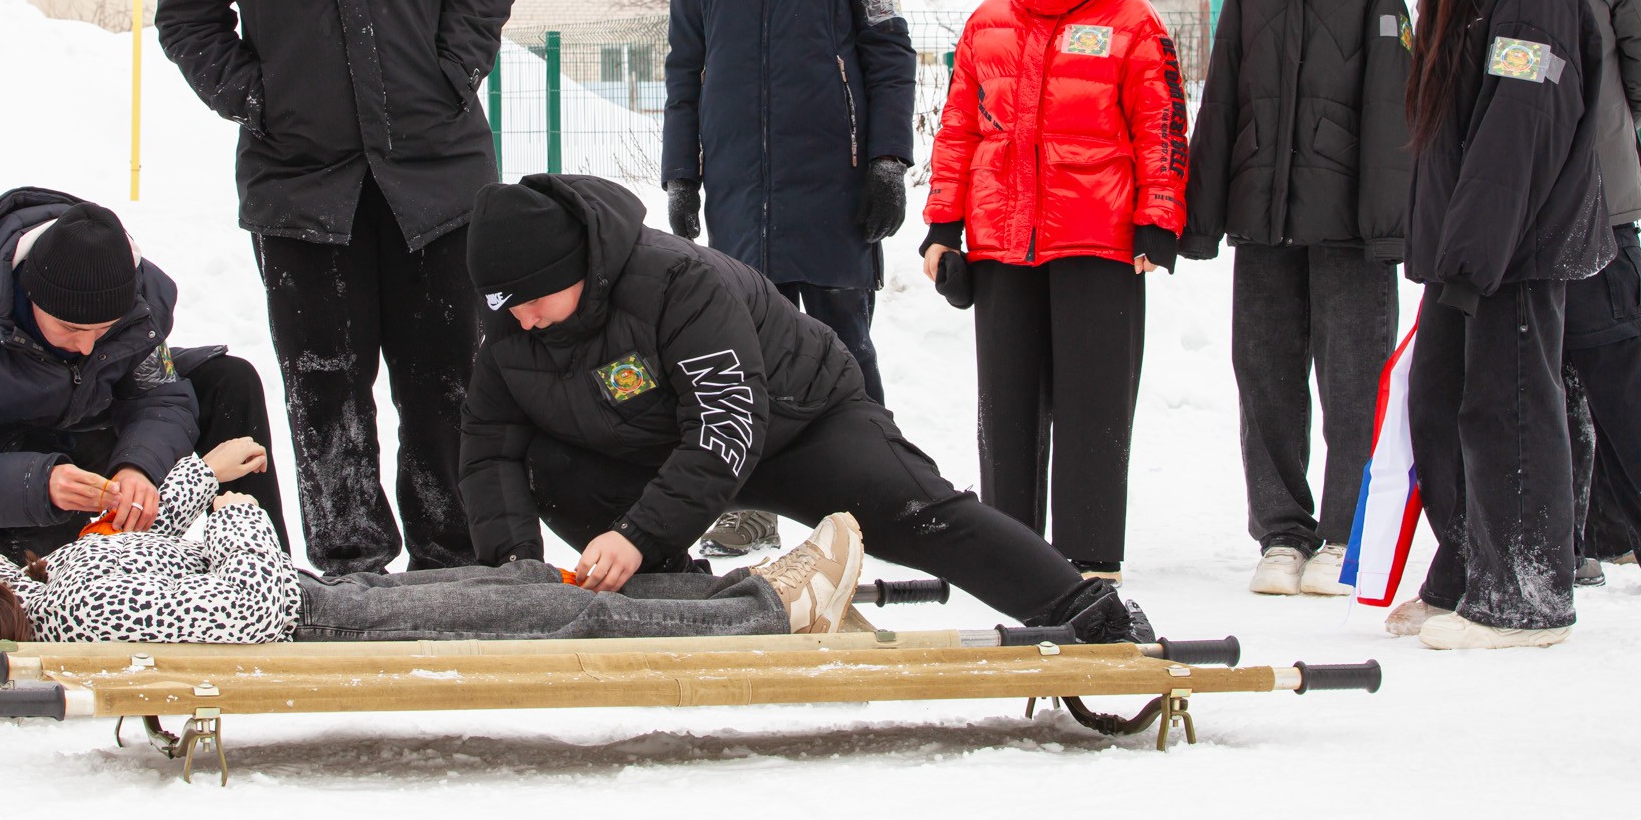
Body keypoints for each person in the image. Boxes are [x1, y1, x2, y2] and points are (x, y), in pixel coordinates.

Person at [456, 174, 1150, 645]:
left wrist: (634, 530)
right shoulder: (513, 331)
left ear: (574, 266)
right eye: (504, 307)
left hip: (798, 421)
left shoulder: (675, 281)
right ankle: (681, 600)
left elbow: (727, 423)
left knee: (918, 513)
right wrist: (517, 569)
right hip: (653, 446)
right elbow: (488, 449)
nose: (521, 319)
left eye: (531, 299)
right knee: (545, 465)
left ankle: (1084, 611)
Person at [156, 0, 518, 575]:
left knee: (450, 379)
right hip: (299, 182)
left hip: (435, 172)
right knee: (324, 384)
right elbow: (186, 18)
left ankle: (458, 559)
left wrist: (449, 72)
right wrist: (258, 99)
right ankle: (350, 561)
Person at [0, 439, 870, 646]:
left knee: (533, 580)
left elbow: (160, 537)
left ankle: (758, 593)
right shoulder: (76, 607)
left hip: (324, 601)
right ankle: (768, 613)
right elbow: (243, 611)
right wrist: (236, 515)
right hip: (329, 618)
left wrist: (194, 479)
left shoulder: (44, 579)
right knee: (554, 610)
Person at [661, 0, 917, 557]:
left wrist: (886, 160)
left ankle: (877, 492)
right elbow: (684, 63)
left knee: (844, 347)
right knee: (740, 353)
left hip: (834, 184)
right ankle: (748, 501)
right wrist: (682, 173)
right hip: (739, 185)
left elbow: (888, 50)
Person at [920, 0, 1186, 588]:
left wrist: (1157, 222)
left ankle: (1091, 556)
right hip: (1003, 241)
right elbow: (957, 130)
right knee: (1005, 405)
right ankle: (1009, 551)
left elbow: (1161, 127)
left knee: (1093, 401)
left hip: (1096, 243)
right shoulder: (989, 20)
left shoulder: (1132, 20)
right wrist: (943, 225)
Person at [1389, 0, 1612, 650]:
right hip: (1473, 239)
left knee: (1509, 406)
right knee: (1444, 401)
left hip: (1513, 242)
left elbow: (1520, 125)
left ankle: (1526, 598)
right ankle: (1470, 573)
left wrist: (1476, 250)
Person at [1180, 0, 1410, 598]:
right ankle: (1281, 531)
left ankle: (1344, 534)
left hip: (1347, 223)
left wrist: (1391, 223)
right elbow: (1222, 103)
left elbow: (1392, 104)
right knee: (1266, 375)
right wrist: (1203, 215)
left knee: (1352, 381)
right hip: (1265, 213)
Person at [0, 189, 288, 561]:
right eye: (72, 330)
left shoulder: (136, 306)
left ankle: (269, 575)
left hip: (90, 436)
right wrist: (40, 483)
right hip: (3, 480)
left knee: (229, 380)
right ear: (30, 295)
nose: (86, 347)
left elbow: (160, 396)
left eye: (102, 332)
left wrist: (138, 465)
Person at [1475, 0, 1641, 589]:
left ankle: (1603, 529)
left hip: (1599, 198)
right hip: (1524, 206)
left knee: (1605, 366)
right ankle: (1581, 534)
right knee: (1550, 375)